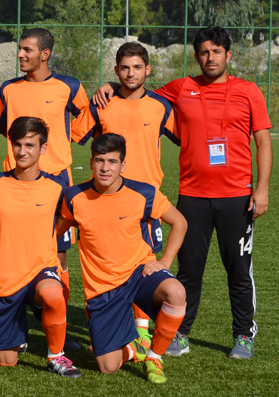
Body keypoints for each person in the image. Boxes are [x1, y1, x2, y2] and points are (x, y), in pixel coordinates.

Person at [93, 27, 272, 359]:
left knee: (238, 270)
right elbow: (136, 90)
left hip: (236, 196)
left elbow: (263, 142)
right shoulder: (180, 88)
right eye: (204, 52)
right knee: (189, 269)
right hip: (192, 195)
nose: (210, 58)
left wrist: (261, 190)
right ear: (197, 56)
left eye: (216, 52)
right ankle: (181, 333)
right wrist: (110, 86)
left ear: (228, 55)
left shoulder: (249, 91)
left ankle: (244, 334)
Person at [57, 134, 188, 384]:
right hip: (102, 287)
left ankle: (154, 357)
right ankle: (135, 349)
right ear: (91, 162)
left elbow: (179, 222)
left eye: (112, 161)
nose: (105, 168)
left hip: (139, 272)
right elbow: (55, 232)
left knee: (176, 292)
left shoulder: (143, 193)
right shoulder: (75, 196)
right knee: (108, 366)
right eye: (99, 160)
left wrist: (165, 262)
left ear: (123, 165)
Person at [72, 42, 179, 345]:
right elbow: (73, 134)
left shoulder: (161, 106)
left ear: (148, 70)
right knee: (107, 265)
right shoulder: (101, 104)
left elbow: (188, 137)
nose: (131, 73)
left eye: (137, 67)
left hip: (145, 204)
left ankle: (141, 333)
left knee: (144, 267)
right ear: (116, 70)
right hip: (104, 201)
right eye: (124, 68)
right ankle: (112, 323)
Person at [0, 27, 88, 349]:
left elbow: (86, 120)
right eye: (20, 49)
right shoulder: (7, 89)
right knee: (10, 253)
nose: (20, 54)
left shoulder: (69, 86)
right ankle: (9, 323)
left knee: (58, 255)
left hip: (56, 185)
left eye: (27, 50)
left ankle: (58, 331)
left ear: (45, 54)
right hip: (14, 185)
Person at [0, 116, 80, 377]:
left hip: (40, 268)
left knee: (54, 295)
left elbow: (65, 219)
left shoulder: (57, 186)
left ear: (43, 148)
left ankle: (56, 356)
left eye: (30, 145)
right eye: (17, 145)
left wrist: (44, 239)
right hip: (4, 277)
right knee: (6, 360)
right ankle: (15, 336)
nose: (22, 151)